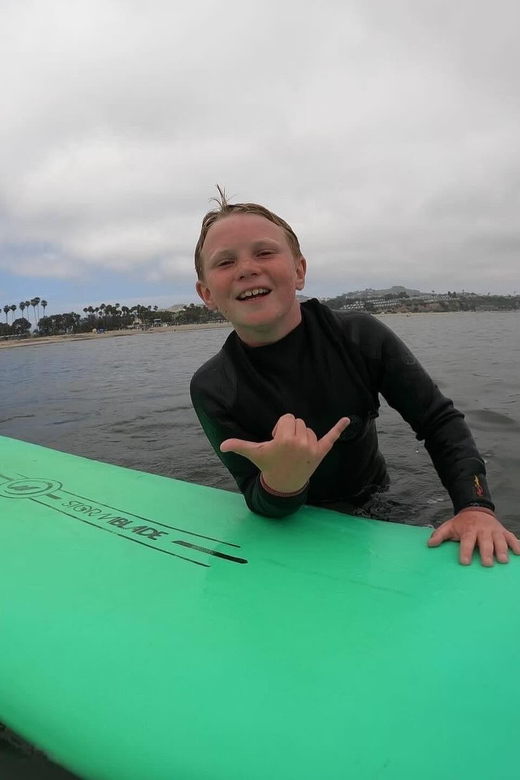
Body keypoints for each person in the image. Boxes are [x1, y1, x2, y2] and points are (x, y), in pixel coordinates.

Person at [190, 189, 519, 567]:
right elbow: (254, 493)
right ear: (207, 294)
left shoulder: (360, 337)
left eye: (264, 252)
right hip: (291, 525)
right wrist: (281, 482)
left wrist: (475, 506)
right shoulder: (213, 387)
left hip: (374, 502)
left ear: (299, 271)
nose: (247, 268)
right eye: (225, 262)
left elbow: (438, 420)